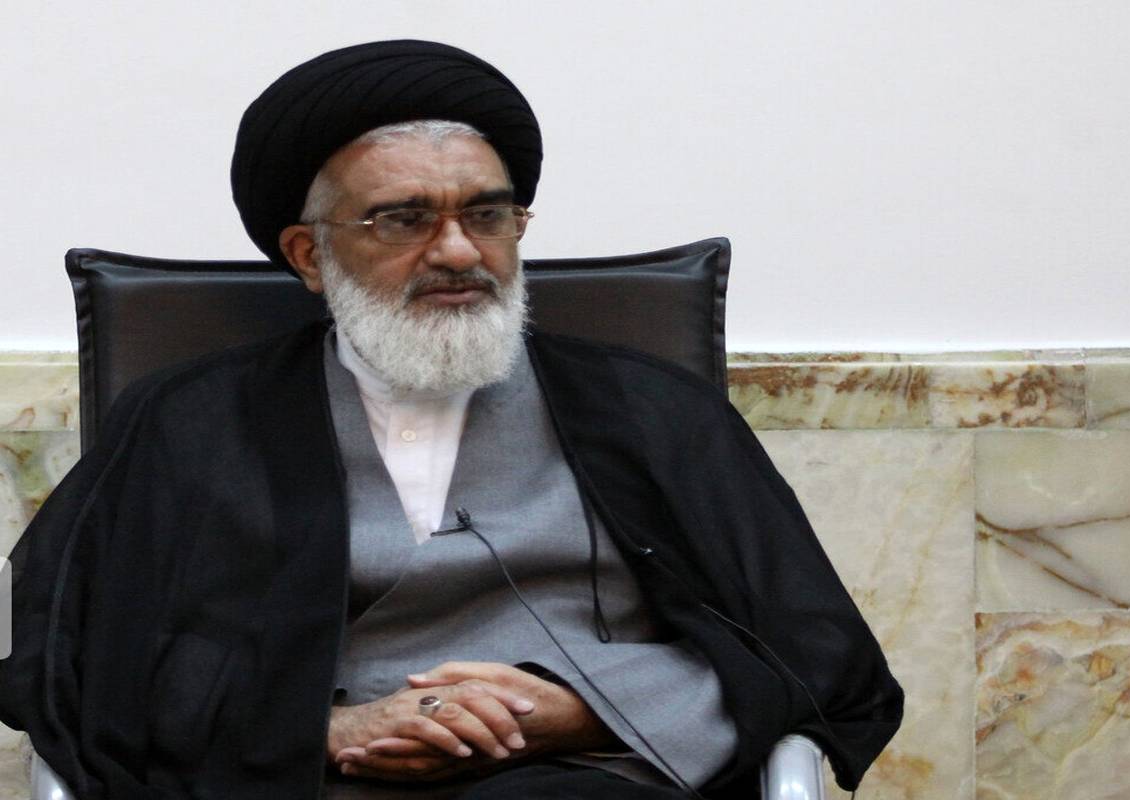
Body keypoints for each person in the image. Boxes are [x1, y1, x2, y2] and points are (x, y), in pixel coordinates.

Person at [0, 41, 902, 799]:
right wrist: (325, 728)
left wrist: (582, 710)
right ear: (309, 254)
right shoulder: (190, 422)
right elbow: (75, 664)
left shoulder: (653, 410)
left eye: (488, 214)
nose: (461, 250)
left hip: (585, 776)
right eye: (404, 219)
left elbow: (817, 657)